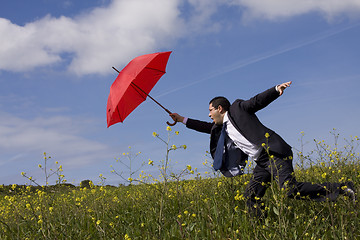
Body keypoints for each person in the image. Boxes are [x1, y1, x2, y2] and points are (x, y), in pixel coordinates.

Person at [170, 81, 356, 217]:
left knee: (290, 190)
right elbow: (205, 127)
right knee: (250, 196)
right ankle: (263, 227)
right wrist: (181, 119)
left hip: (274, 153)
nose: (209, 115)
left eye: (210, 110)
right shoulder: (222, 128)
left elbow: (256, 101)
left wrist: (276, 90)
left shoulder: (237, 109)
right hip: (262, 162)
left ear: (219, 108)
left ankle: (342, 188)